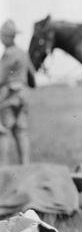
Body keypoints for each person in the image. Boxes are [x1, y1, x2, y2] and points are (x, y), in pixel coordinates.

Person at [0, 19, 34, 165]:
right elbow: (32, 77)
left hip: (9, 97)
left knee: (3, 132)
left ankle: (2, 169)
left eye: (2, 35)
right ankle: (25, 168)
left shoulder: (8, 54)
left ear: (7, 37)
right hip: (23, 96)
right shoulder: (23, 53)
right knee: (22, 132)